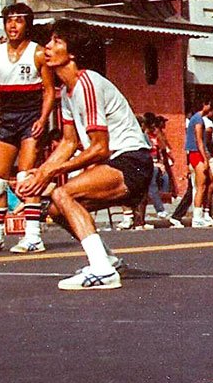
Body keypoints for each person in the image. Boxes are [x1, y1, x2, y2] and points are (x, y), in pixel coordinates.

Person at [16, 19, 152, 290]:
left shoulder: (87, 82)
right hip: (116, 162)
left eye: (56, 42)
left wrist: (50, 174)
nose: (48, 46)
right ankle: (108, 260)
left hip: (132, 160)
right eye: (48, 41)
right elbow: (68, 143)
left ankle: (102, 270)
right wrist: (39, 173)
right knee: (55, 209)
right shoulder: (66, 93)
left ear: (73, 52)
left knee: (62, 193)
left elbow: (100, 147)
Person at [0, 3, 56, 255]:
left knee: (26, 178)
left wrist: (43, 119)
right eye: (9, 20)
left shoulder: (38, 53)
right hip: (7, 118)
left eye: (18, 21)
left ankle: (33, 237)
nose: (13, 25)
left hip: (30, 117)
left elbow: (50, 91)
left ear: (27, 25)